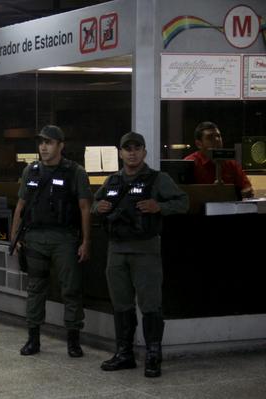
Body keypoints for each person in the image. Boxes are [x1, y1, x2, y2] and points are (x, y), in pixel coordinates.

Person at [92, 132, 189, 378]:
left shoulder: (158, 179)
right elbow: (96, 204)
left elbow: (183, 202)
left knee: (150, 305)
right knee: (121, 304)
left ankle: (153, 355)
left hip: (145, 250)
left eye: (137, 148)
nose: (132, 153)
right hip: (116, 251)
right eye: (127, 149)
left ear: (144, 152)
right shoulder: (112, 180)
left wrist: (160, 207)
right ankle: (124, 354)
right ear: (121, 153)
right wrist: (98, 207)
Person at [10, 125, 92, 357]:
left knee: (71, 289)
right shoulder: (31, 171)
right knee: (35, 289)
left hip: (64, 238)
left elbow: (85, 208)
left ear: (60, 146)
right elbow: (21, 206)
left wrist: (87, 241)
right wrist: (15, 237)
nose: (44, 147)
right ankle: (33, 339)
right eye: (41, 143)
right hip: (35, 238)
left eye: (49, 142)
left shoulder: (74, 171)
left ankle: (73, 341)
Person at [184, 121, 253, 198]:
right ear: (198, 144)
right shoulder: (190, 163)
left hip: (228, 207)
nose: (217, 140)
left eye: (218, 136)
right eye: (210, 137)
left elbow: (247, 187)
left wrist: (244, 192)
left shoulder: (231, 163)